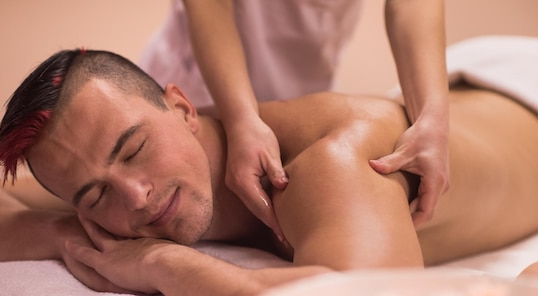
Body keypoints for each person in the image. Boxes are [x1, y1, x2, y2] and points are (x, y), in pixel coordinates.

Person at [0, 47, 538, 296]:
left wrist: (162, 263)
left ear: (183, 108)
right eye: (94, 193)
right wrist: (70, 236)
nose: (133, 196)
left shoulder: (332, 160)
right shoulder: (105, 204)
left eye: (133, 150)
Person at [140, 0, 451, 244]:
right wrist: (240, 120)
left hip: (301, 94)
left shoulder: (336, 157)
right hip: (205, 88)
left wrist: (432, 117)